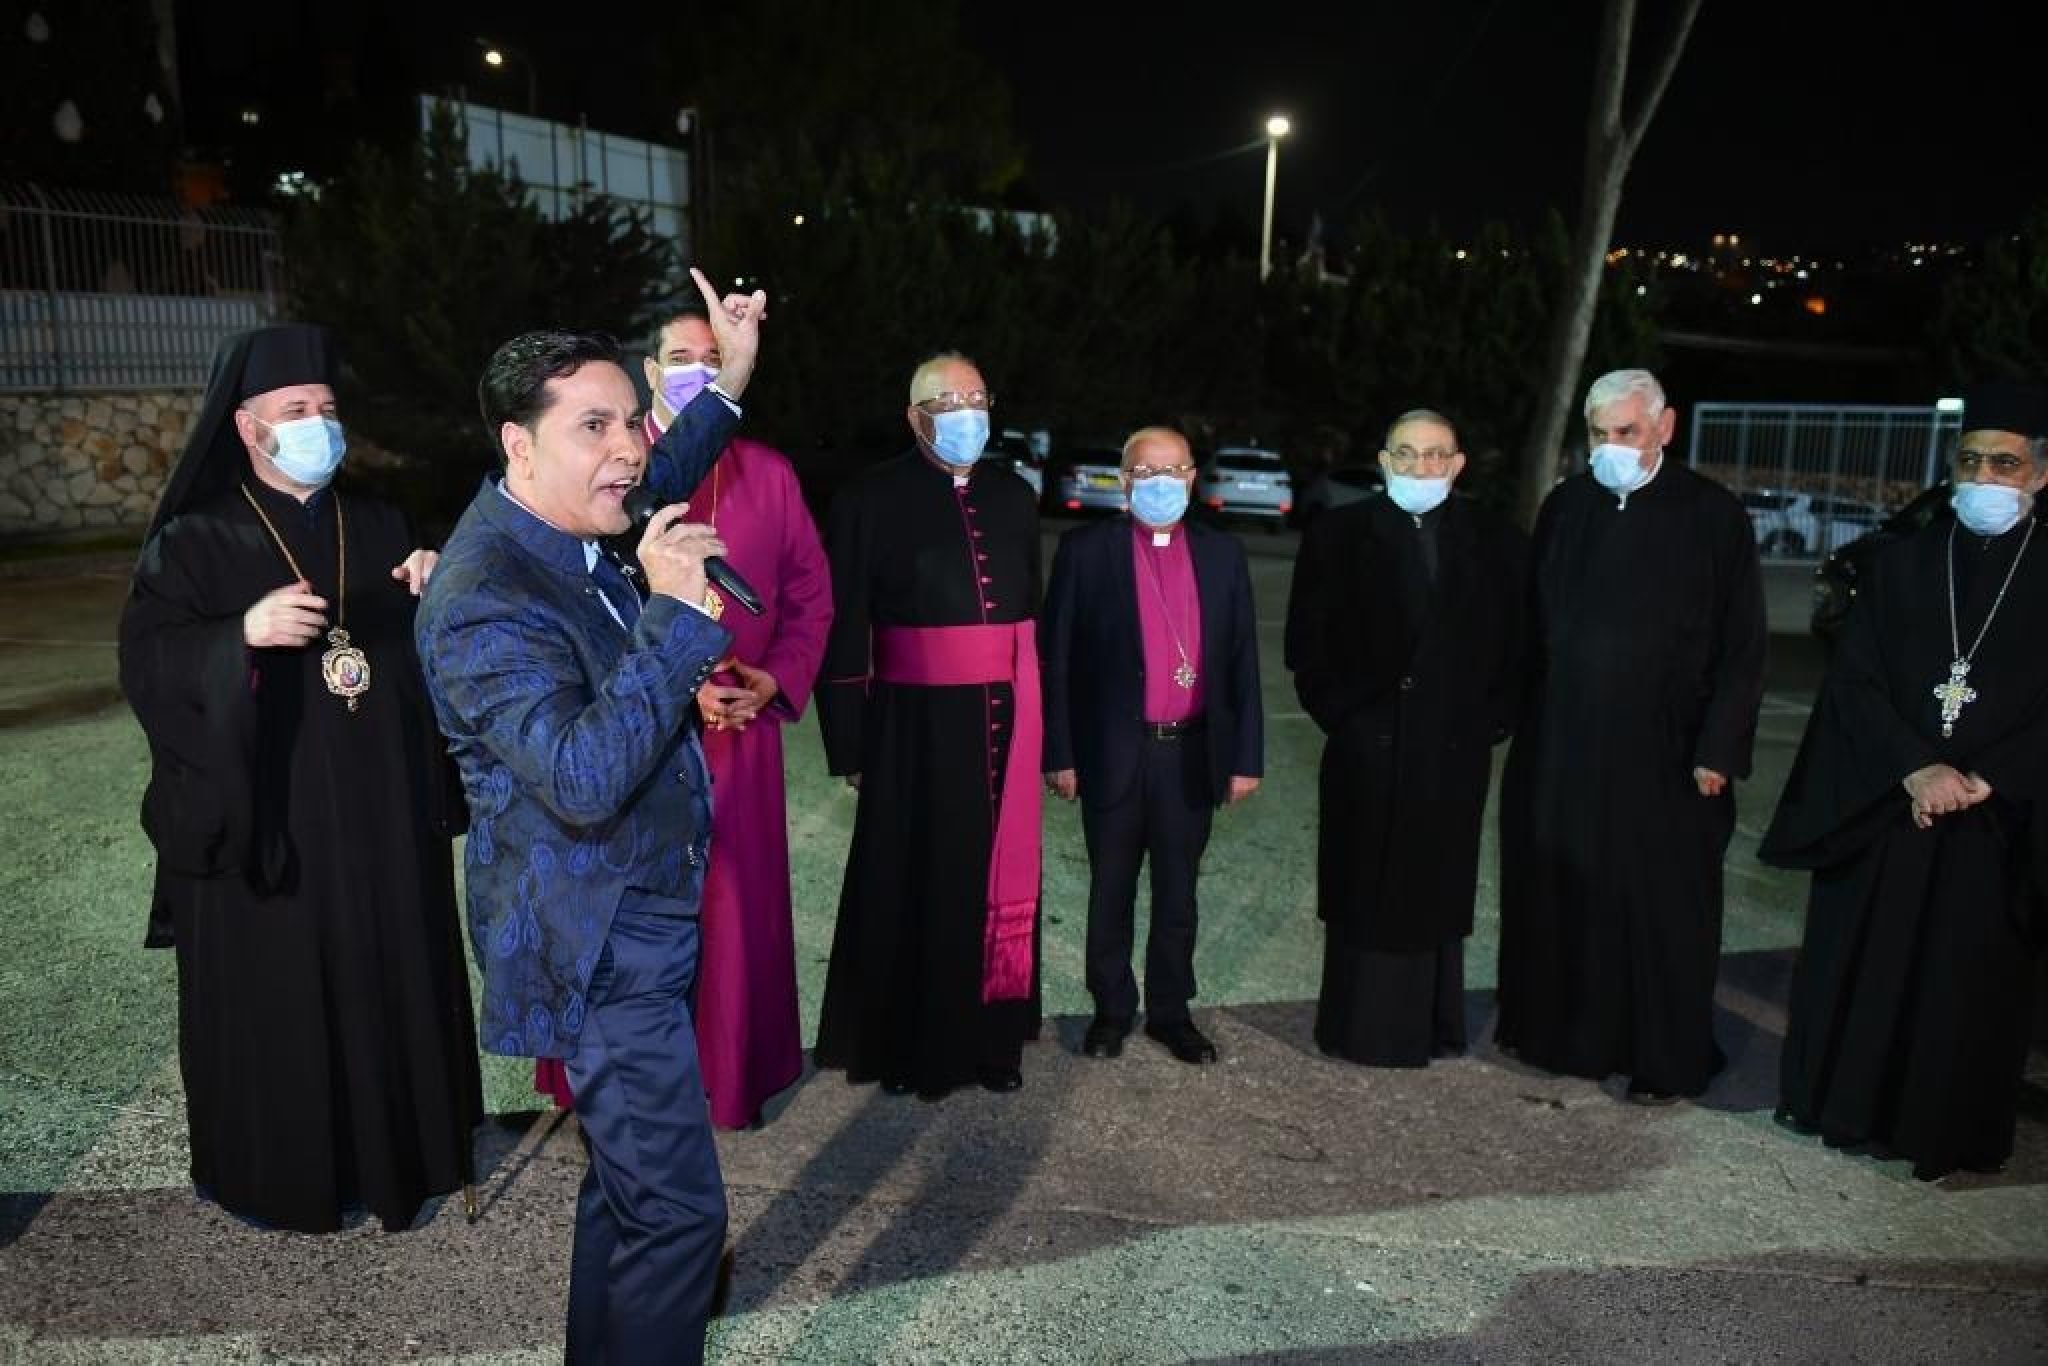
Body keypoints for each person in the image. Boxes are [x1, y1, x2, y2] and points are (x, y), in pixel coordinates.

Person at [416, 268, 765, 1365]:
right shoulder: (483, 595)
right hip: (591, 939)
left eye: (632, 418)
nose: (629, 450)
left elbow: (658, 468)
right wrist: (672, 613)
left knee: (627, 1191)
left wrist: (728, 380)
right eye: (596, 427)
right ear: (518, 445)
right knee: (680, 1218)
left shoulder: (569, 518)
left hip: (636, 913)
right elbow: (578, 777)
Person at [118, 322, 482, 1235]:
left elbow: (429, 660)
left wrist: (442, 590)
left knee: (391, 979)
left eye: (326, 407)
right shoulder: (195, 541)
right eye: (295, 409)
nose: (318, 423)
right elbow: (147, 663)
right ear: (248, 427)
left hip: (381, 813)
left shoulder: (384, 525)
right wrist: (236, 637)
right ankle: (280, 1173)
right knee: (282, 1001)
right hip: (270, 822)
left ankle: (404, 1157)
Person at [534, 308, 832, 1131]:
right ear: (651, 373)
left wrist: (773, 679)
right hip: (639, 733)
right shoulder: (612, 472)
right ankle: (611, 1090)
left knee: (733, 914)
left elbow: (810, 594)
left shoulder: (770, 473)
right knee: (632, 913)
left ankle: (730, 1076)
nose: (698, 366)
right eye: (681, 355)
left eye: (713, 355)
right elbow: (580, 604)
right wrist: (678, 685)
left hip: (742, 735)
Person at [1760, 381, 2048, 1180]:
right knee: (1870, 962)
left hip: (1997, 820)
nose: (1984, 477)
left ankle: (1944, 1129)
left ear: (2039, 473)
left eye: (2003, 464)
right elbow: (1853, 682)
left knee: (1966, 979)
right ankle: (1844, 1107)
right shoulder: (1900, 564)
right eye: (1970, 461)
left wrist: (1986, 778)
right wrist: (1917, 768)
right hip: (1893, 806)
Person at [1497, 368, 1765, 1103]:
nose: (1611, 446)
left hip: (1669, 754)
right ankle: (1565, 1039)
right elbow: (1532, 628)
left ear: (1664, 428)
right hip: (1566, 746)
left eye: (1627, 431)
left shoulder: (1713, 516)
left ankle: (1661, 1058)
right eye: (1599, 433)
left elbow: (1743, 648)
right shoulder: (1566, 507)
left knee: (1659, 910)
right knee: (1568, 895)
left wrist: (1719, 748)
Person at [813, 351, 1043, 1098]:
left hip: (1005, 723)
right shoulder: (869, 497)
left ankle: (994, 1041)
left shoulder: (1015, 496)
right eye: (949, 403)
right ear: (915, 418)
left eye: (978, 399)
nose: (968, 414)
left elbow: (1032, 615)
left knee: (997, 878)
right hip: (913, 730)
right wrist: (851, 740)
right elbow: (843, 622)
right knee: (920, 883)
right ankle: (914, 1050)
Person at [1285, 409, 1525, 1068]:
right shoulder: (1338, 535)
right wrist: (1346, 718)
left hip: (1450, 751)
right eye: (1408, 453)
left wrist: (1489, 722)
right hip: (1369, 749)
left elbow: (1519, 645)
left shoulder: (1497, 541)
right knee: (1362, 885)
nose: (1422, 466)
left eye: (1436, 454)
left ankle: (1433, 1026)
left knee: (1435, 888)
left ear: (1458, 464)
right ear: (1385, 461)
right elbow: (1307, 646)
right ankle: (1356, 1027)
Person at [1040, 426, 1262, 1064]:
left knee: (1178, 893)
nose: (1159, 484)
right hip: (1113, 750)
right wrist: (1060, 753)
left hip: (1190, 753)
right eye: (1144, 473)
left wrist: (1245, 758)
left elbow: (1243, 661)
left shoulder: (1223, 555)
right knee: (1110, 889)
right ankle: (1110, 1010)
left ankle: (1171, 1013)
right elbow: (1057, 660)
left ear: (1191, 478)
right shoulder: (1086, 551)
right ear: (1124, 480)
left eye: (1172, 472)